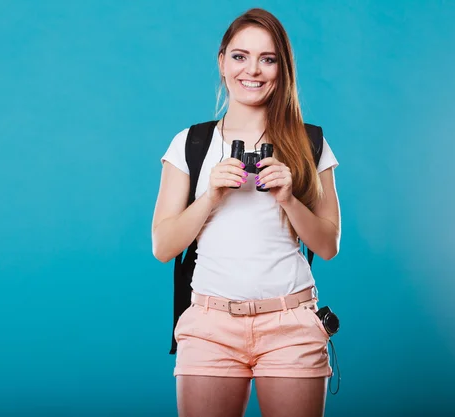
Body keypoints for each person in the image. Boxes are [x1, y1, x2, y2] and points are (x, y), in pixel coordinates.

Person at [151, 7, 341, 417]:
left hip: (290, 322)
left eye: (267, 59)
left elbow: (328, 246)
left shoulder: (310, 143)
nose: (252, 70)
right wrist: (211, 197)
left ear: (282, 68)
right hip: (209, 324)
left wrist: (289, 198)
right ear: (222, 62)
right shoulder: (190, 144)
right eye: (240, 56)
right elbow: (163, 246)